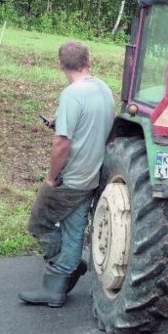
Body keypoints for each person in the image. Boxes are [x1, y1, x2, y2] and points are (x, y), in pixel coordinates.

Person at [19, 41, 115, 308]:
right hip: (92, 174)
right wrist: (59, 122)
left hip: (72, 178)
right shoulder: (104, 90)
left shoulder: (72, 95)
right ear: (89, 61)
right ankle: (68, 266)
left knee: (40, 223)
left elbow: (62, 144)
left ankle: (63, 271)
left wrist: (51, 178)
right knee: (73, 227)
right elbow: (93, 127)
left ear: (60, 64)